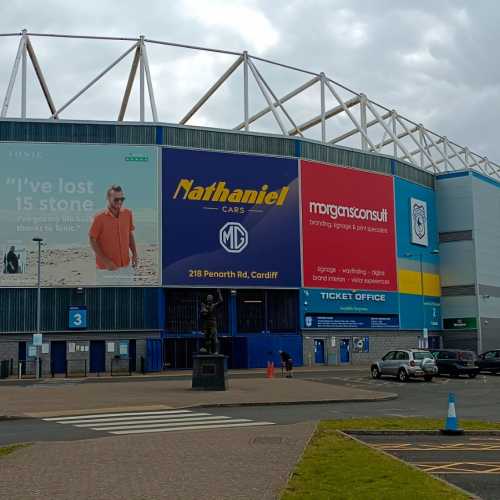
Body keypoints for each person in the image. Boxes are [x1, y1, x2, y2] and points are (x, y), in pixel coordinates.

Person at [89, 185, 138, 284]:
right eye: (116, 199)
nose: (119, 202)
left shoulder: (128, 214)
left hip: (126, 268)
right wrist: (106, 261)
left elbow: (129, 234)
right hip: (106, 270)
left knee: (128, 298)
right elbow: (92, 239)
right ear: (108, 198)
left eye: (122, 199)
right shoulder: (99, 217)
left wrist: (135, 254)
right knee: (106, 299)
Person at [200, 290, 223, 354]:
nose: (209, 300)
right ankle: (209, 351)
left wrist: (219, 293)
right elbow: (203, 313)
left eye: (210, 299)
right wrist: (205, 310)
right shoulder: (204, 306)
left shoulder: (213, 305)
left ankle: (216, 351)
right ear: (207, 299)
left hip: (212, 323)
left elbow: (221, 301)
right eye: (208, 298)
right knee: (207, 338)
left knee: (214, 337)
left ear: (212, 300)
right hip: (206, 324)